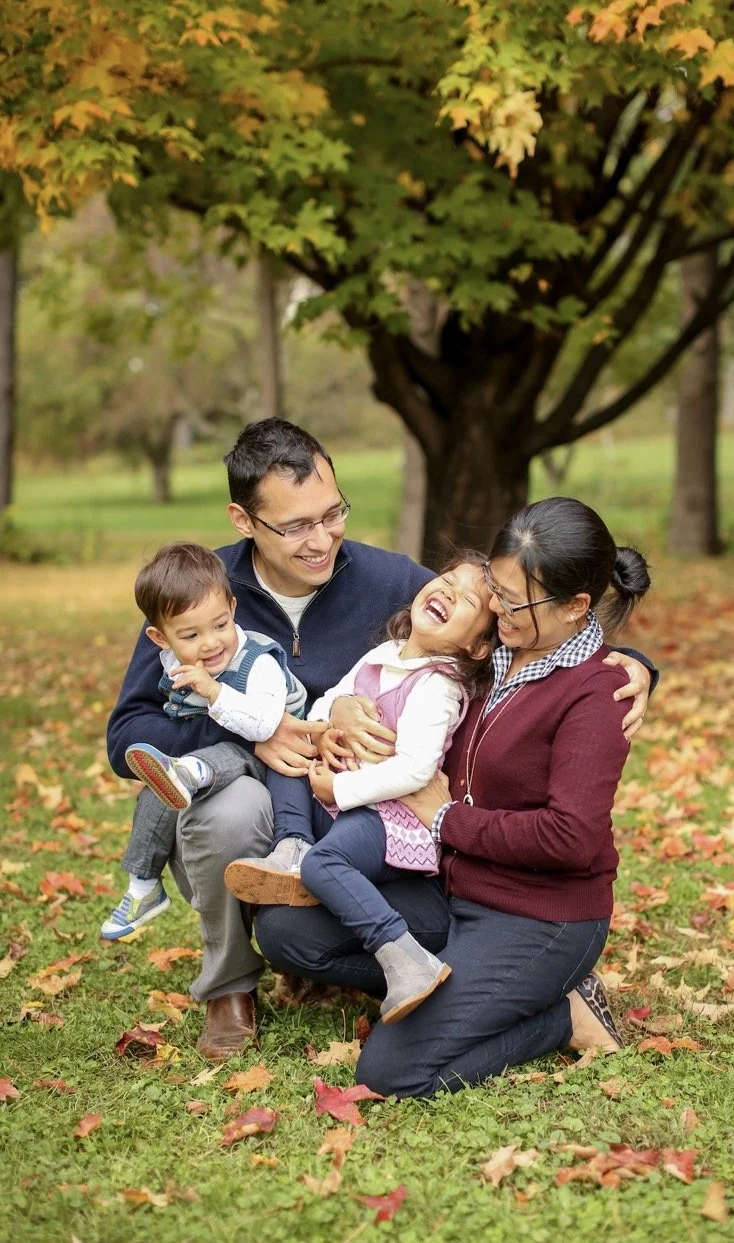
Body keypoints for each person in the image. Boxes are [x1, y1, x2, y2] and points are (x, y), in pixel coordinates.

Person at [106, 419, 654, 1059]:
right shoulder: (198, 593)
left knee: (303, 919)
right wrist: (252, 730)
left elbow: (503, 619)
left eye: (332, 513)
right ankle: (230, 987)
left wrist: (634, 662)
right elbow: (128, 737)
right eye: (296, 526)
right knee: (231, 813)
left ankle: (483, 981)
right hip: (259, 788)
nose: (323, 539)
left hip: (369, 806)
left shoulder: (391, 580)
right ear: (242, 519)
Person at [254, 496, 650, 1097]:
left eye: (515, 601)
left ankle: (565, 1015)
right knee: (289, 933)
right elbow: (403, 666)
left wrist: (446, 818)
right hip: (453, 890)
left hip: (536, 915)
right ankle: (455, 986)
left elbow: (569, 838)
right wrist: (340, 703)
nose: (496, 607)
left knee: (391, 1071)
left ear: (576, 607)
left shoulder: (596, 696)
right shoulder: (491, 655)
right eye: (495, 585)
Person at [225, 557, 497, 1024]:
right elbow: (328, 696)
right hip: (350, 798)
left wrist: (340, 788)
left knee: (325, 864)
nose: (449, 592)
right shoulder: (385, 653)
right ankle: (290, 844)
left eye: (467, 599)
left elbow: (415, 772)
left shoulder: (439, 686)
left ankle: (404, 957)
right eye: (447, 580)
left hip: (391, 817)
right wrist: (331, 723)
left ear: (477, 646)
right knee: (289, 758)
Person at [100, 542, 307, 940]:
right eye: (191, 634)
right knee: (155, 794)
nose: (210, 643)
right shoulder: (173, 661)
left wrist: (213, 693)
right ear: (160, 638)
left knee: (223, 753)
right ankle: (143, 886)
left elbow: (264, 728)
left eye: (219, 626)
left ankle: (192, 771)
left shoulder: (257, 660)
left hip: (279, 764)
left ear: (232, 609)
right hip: (222, 756)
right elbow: (127, 729)